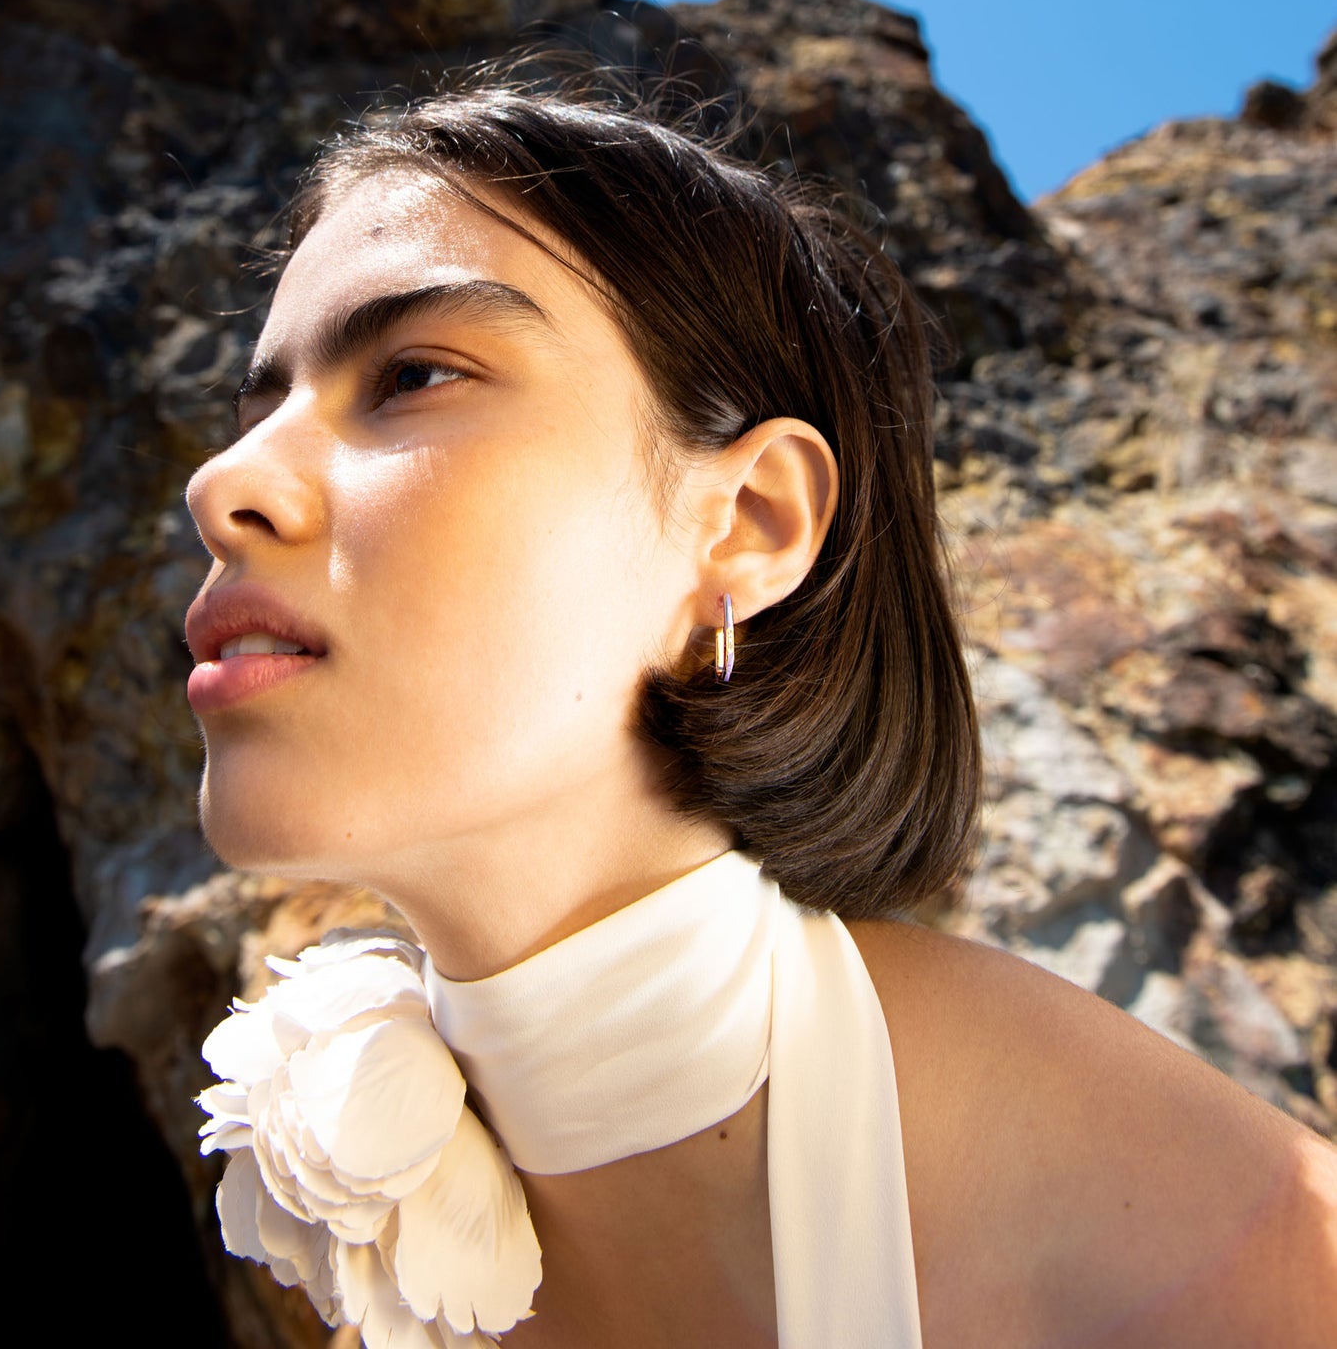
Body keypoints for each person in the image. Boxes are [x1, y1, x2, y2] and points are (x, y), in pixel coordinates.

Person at [184, 82, 1337, 1349]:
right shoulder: (391, 1240)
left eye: (410, 373)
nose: (221, 480)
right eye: (259, 409)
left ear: (744, 527)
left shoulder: (1250, 1258)